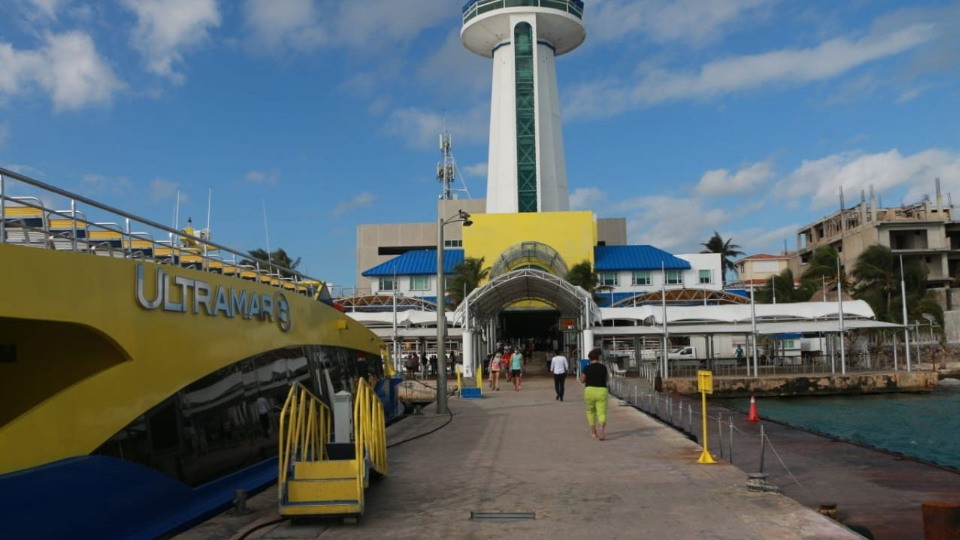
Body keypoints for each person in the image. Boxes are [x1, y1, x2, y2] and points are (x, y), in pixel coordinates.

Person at [579, 348, 609, 440]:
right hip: (602, 391)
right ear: (598, 358)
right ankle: (601, 427)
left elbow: (582, 380)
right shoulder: (603, 367)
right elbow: (607, 379)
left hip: (590, 391)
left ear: (590, 358)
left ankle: (593, 432)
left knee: (590, 412)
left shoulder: (587, 368)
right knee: (601, 412)